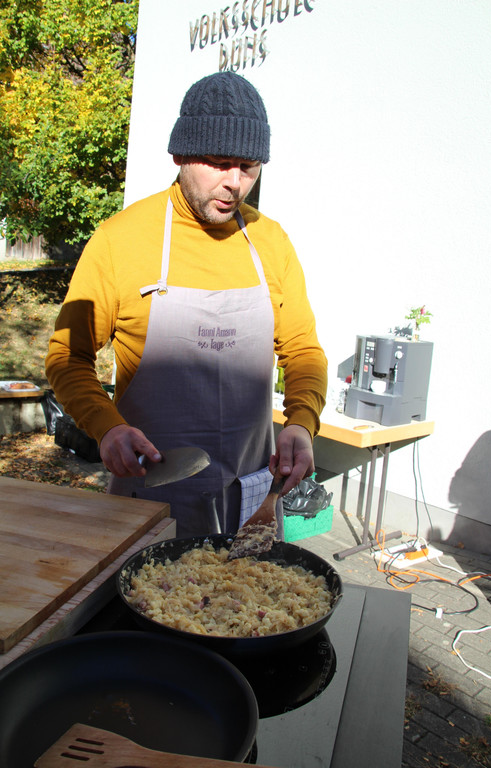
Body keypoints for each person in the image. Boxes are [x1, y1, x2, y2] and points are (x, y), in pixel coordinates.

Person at [45, 71, 327, 538]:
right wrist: (106, 426)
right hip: (148, 501)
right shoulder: (120, 240)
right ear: (180, 155)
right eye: (219, 163)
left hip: (251, 499)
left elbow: (303, 351)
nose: (235, 183)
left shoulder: (271, 242)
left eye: (249, 166)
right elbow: (66, 357)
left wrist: (301, 422)